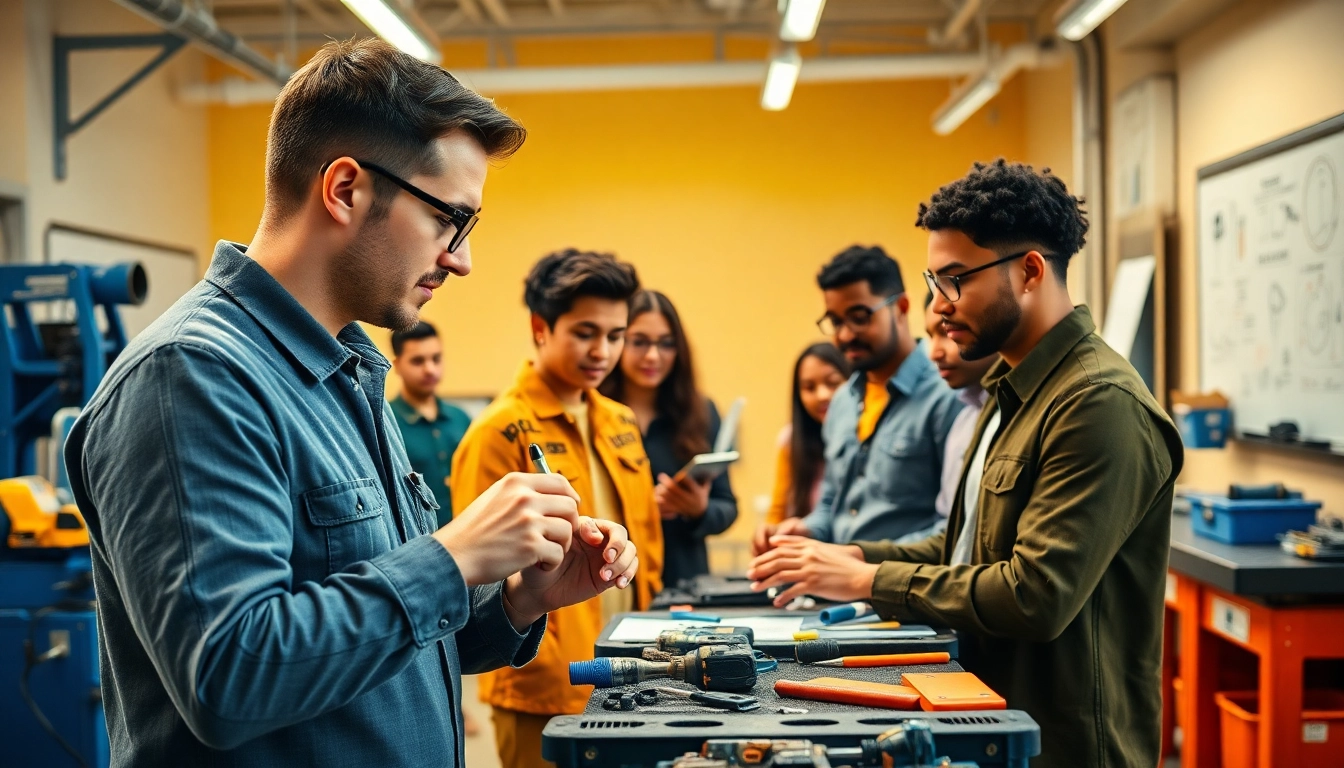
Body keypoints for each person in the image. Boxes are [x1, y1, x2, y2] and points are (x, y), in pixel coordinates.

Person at [61, 39, 640, 767]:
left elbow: (391, 648)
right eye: (449, 219)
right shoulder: (191, 377)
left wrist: (518, 597)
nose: (461, 258)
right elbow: (229, 677)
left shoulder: (348, 371)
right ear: (344, 190)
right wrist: (452, 557)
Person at [747, 160, 1184, 768]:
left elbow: (1035, 595)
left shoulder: (1098, 403)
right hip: (985, 715)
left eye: (954, 281)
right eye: (934, 282)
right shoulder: (1008, 390)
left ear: (1029, 271)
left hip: (1062, 744)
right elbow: (963, 549)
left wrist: (869, 581)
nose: (939, 306)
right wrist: (850, 557)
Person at [452, 249, 663, 768]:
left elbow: (647, 540)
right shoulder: (498, 431)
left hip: (633, 667)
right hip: (543, 684)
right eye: (585, 332)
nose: (603, 351)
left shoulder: (619, 420)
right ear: (541, 327)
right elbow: (477, 578)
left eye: (616, 335)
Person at [751, 245, 962, 555]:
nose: (845, 335)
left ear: (901, 307)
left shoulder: (947, 396)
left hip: (901, 583)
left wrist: (856, 558)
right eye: (836, 322)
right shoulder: (842, 404)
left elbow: (954, 530)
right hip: (836, 581)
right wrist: (803, 530)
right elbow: (831, 505)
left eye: (859, 318)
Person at [599, 289, 738, 587]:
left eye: (666, 343)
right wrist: (642, 509)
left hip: (686, 584)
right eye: (639, 342)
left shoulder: (701, 413)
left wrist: (699, 510)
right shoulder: (592, 413)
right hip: (610, 579)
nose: (653, 356)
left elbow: (727, 507)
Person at [921, 292, 998, 530]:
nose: (934, 353)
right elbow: (948, 529)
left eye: (947, 332)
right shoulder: (963, 422)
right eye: (930, 336)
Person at [389, 320, 472, 526]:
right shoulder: (386, 422)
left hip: (470, 532)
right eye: (418, 361)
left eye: (436, 359)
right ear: (397, 365)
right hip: (419, 539)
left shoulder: (461, 418)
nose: (430, 369)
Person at [765, 342, 850, 525]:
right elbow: (778, 510)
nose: (822, 395)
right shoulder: (790, 441)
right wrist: (770, 532)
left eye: (833, 383)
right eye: (809, 387)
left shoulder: (864, 435)